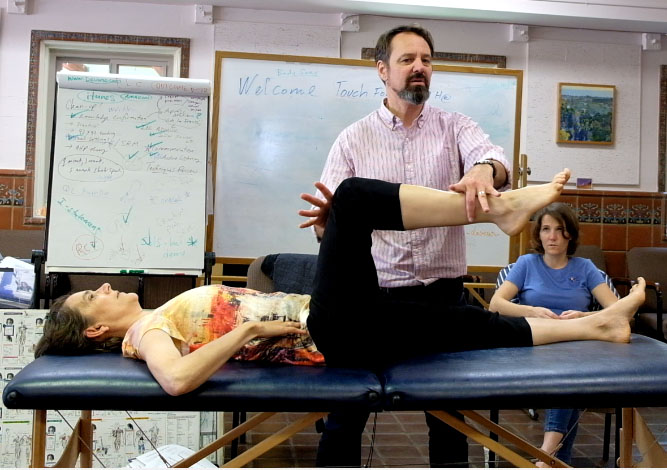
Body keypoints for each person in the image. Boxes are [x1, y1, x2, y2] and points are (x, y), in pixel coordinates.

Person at [35, 171, 646, 413]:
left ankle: (601, 326)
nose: (107, 287)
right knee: (351, 199)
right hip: (330, 333)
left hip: (342, 328)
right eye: (93, 298)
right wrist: (248, 330)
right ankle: (496, 212)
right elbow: (175, 381)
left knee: (466, 320)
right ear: (95, 330)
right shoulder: (143, 333)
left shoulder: (157, 314)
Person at [299, 23, 512, 467]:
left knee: (449, 416)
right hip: (371, 299)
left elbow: (494, 157)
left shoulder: (456, 127)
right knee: (345, 414)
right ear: (382, 70)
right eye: (407, 60)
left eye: (427, 60)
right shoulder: (353, 138)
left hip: (440, 295)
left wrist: (485, 172)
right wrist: (325, 226)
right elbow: (331, 228)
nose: (420, 68)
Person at [489, 202, 618, 465]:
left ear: (570, 234)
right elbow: (496, 304)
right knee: (569, 375)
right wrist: (533, 311)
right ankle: (551, 457)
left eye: (559, 230)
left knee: (570, 370)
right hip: (536, 343)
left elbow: (616, 311)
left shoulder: (585, 268)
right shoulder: (527, 263)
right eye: (546, 229)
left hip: (577, 343)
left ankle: (548, 456)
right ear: (538, 234)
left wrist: (583, 316)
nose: (552, 236)